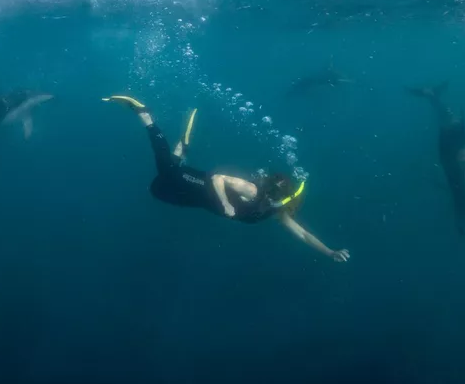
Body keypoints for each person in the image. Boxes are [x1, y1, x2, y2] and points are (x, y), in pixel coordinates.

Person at [103, 95, 350, 263]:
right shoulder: (253, 191)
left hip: (199, 201)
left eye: (279, 201)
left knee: (159, 189)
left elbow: (304, 234)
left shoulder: (278, 211)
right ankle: (145, 115)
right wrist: (227, 205)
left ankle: (183, 147)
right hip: (206, 186)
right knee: (166, 173)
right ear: (269, 192)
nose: (276, 204)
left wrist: (329, 252)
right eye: (274, 199)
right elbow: (219, 178)